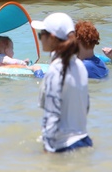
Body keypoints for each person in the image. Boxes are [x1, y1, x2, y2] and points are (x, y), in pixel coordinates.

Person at [32, 12, 91, 153]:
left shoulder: (56, 69)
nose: (40, 39)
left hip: (63, 146)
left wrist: (47, 149)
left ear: (52, 38)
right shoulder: (80, 65)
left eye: (41, 35)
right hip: (84, 141)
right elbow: (86, 107)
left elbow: (52, 114)